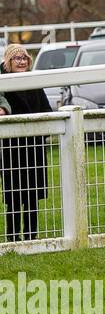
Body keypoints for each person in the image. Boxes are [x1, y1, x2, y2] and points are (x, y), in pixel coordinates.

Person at [0, 44, 53, 242]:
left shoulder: (35, 83)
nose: (21, 61)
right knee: (13, 197)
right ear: (8, 62)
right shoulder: (3, 84)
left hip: (35, 148)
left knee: (32, 197)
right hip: (11, 150)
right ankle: (13, 239)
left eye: (24, 58)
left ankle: (31, 238)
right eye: (16, 58)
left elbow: (47, 110)